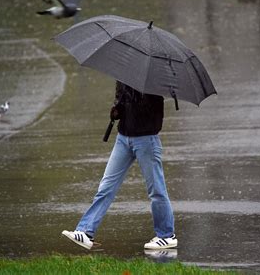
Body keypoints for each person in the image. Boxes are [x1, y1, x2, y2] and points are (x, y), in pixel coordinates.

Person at [62, 81, 177, 250]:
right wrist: (117, 109)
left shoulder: (153, 78)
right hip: (123, 138)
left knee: (156, 191)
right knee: (106, 186)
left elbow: (152, 111)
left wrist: (136, 97)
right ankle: (86, 232)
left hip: (146, 139)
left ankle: (167, 236)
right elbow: (121, 101)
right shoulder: (124, 73)